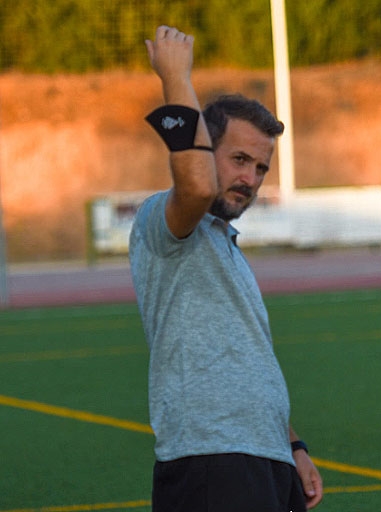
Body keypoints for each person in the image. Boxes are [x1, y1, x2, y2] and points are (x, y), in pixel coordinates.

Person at [129, 25, 323, 512]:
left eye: (260, 168)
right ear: (203, 149)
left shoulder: (225, 245)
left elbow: (249, 366)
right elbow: (194, 185)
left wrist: (292, 446)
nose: (250, 179)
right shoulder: (165, 223)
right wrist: (175, 77)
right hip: (211, 463)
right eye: (238, 159)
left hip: (265, 459)